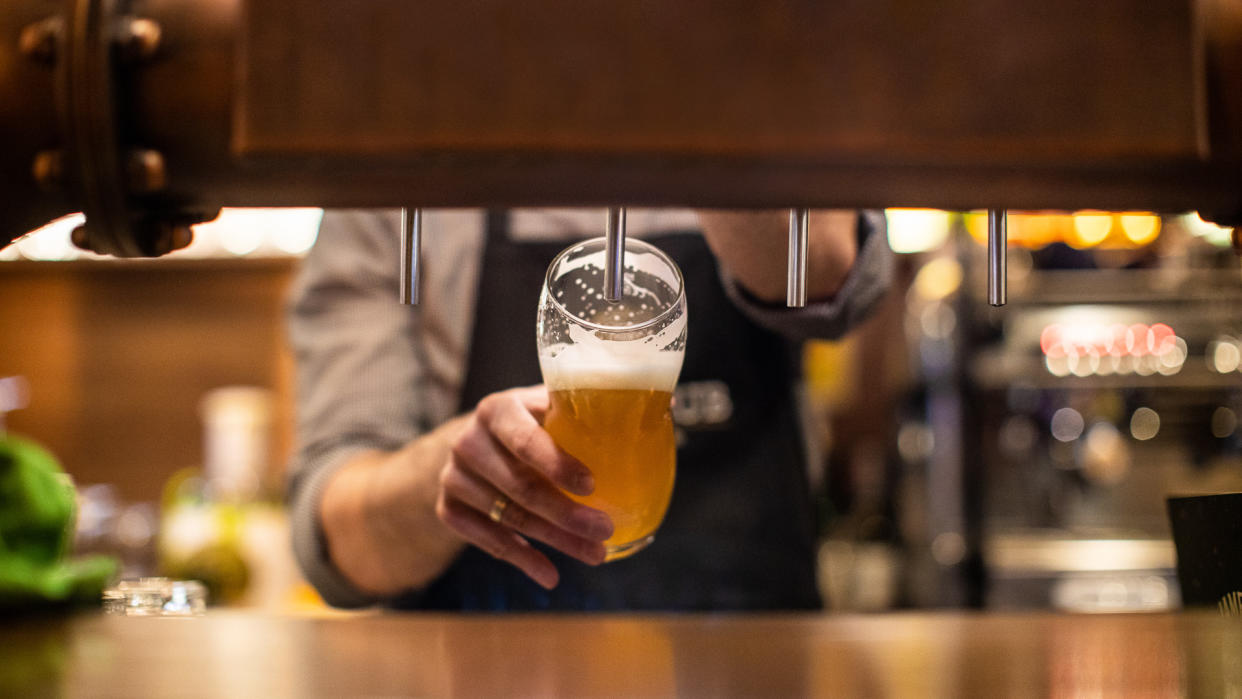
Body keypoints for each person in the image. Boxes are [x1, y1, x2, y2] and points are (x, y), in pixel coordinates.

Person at [287, 208, 892, 611]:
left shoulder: (750, 87)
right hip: (495, 674)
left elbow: (833, 277)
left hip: (750, 664)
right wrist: (441, 477)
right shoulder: (404, 158)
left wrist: (702, 85)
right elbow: (337, 544)